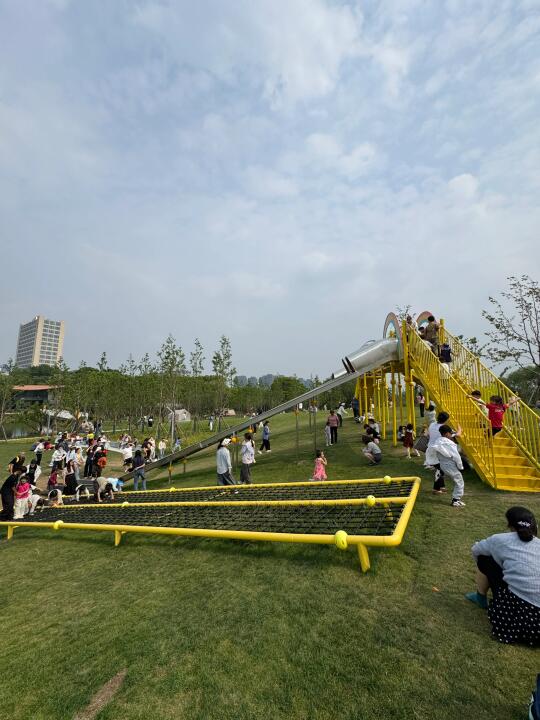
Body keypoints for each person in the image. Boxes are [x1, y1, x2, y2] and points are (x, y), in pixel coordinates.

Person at [466, 507, 539, 646]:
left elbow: (476, 550)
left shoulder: (500, 539)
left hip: (519, 621)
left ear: (509, 524)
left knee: (484, 558)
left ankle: (480, 597)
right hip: (537, 626)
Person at [432, 424, 465, 507]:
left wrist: (459, 431)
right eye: (451, 433)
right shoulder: (450, 444)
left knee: (457, 481)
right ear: (447, 433)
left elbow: (453, 435)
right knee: (459, 481)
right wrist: (460, 466)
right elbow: (456, 456)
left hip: (442, 464)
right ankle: (455, 500)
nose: (452, 435)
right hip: (450, 465)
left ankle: (456, 499)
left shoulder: (438, 440)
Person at [424, 411, 450, 493]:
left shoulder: (432, 424)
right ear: (446, 420)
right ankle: (436, 489)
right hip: (437, 451)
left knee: (440, 469)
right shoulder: (444, 427)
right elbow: (451, 435)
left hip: (430, 449)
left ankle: (441, 487)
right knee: (440, 470)